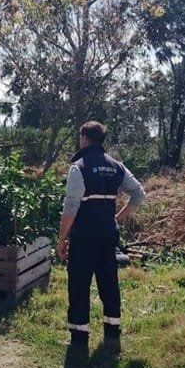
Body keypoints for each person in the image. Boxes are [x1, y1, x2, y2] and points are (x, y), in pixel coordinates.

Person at [56, 121, 145, 346]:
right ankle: (112, 330)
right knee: (109, 282)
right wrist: (117, 218)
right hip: (108, 235)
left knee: (79, 284)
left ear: (84, 138)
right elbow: (138, 195)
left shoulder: (79, 167)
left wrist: (61, 238)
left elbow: (71, 206)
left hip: (84, 237)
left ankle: (79, 335)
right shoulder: (117, 166)